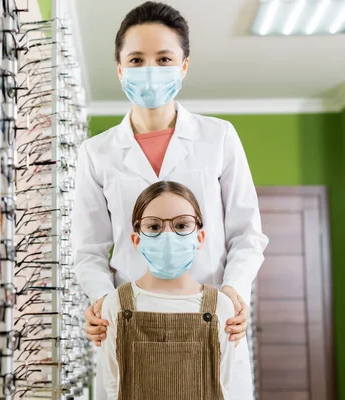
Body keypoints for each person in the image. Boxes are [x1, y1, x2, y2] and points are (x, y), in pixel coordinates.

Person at [70, 2, 269, 398]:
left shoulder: (219, 138)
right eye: (136, 59)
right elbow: (87, 250)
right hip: (129, 323)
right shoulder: (97, 153)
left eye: (163, 58)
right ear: (119, 68)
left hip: (212, 317)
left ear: (183, 66)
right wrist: (102, 302)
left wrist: (234, 291)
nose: (149, 69)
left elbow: (247, 234)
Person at [101, 181, 236, 400]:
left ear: (199, 238)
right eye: (154, 227)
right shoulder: (115, 304)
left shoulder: (221, 306)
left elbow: (224, 387)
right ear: (136, 239)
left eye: (181, 226)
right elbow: (112, 387)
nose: (168, 236)